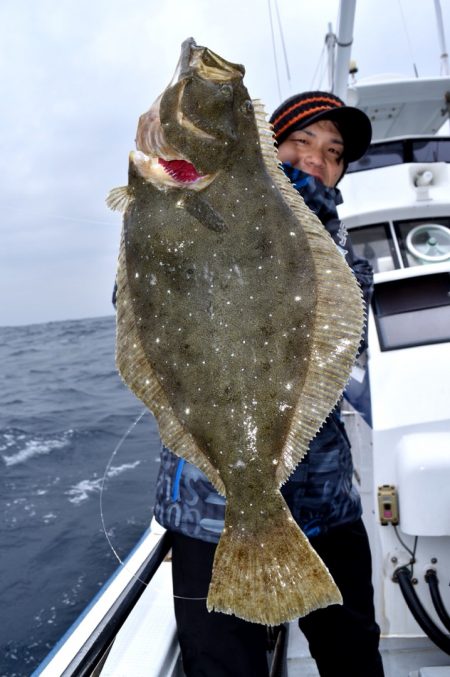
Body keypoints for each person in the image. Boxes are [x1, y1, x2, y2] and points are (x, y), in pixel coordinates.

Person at [153, 91, 384, 677]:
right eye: (301, 141)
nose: (317, 158)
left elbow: (344, 347)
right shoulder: (208, 208)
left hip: (323, 503)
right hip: (214, 508)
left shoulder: (342, 253)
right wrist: (173, 155)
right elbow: (152, 280)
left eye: (333, 153)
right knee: (226, 665)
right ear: (268, 146)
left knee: (352, 651)